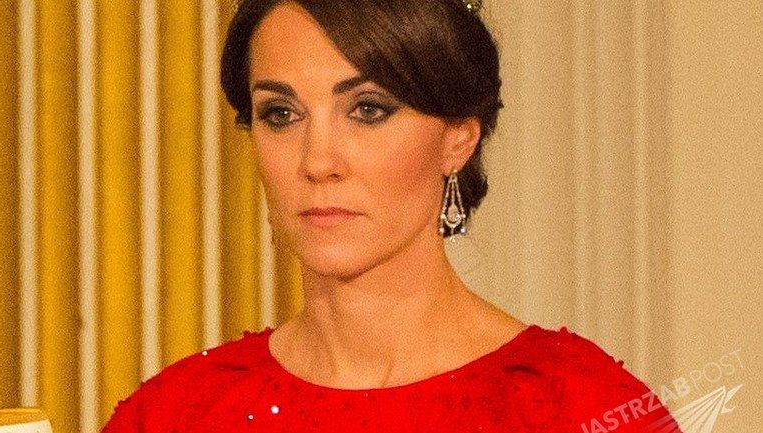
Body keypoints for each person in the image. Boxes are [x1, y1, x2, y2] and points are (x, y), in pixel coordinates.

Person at [101, 0, 685, 432]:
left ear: (457, 139)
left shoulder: (581, 409)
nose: (318, 161)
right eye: (281, 114)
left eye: (368, 110)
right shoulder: (174, 415)